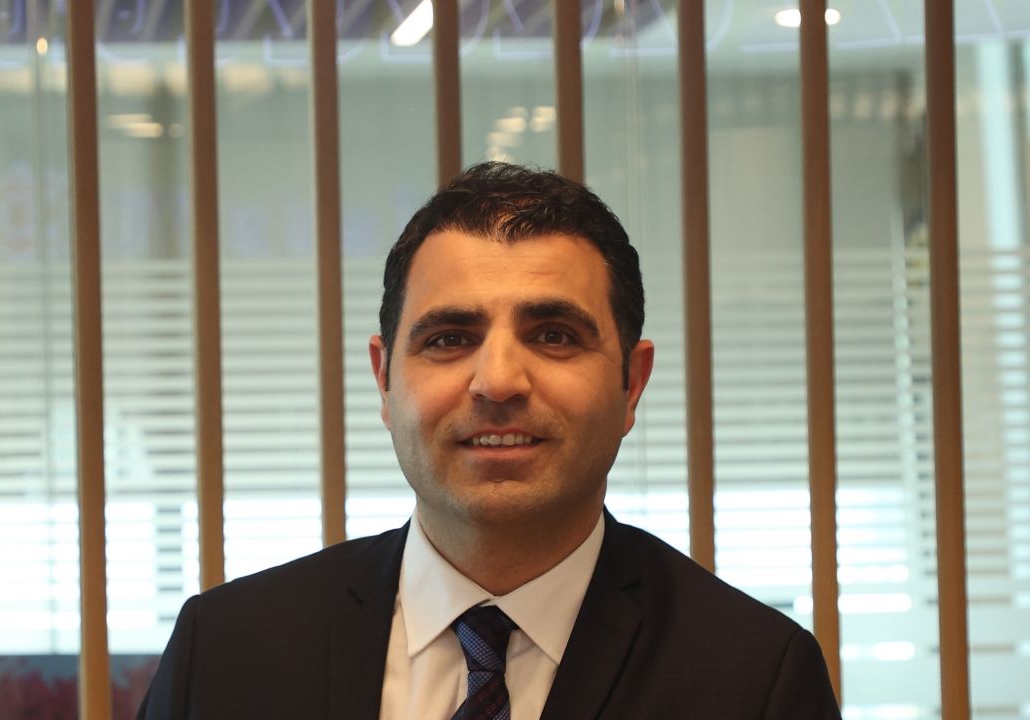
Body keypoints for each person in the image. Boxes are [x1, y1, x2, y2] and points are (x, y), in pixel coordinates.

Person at [136, 162, 842, 719]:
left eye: (554, 335)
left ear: (631, 382)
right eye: (449, 339)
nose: (498, 380)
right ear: (385, 379)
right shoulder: (225, 652)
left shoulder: (755, 678)